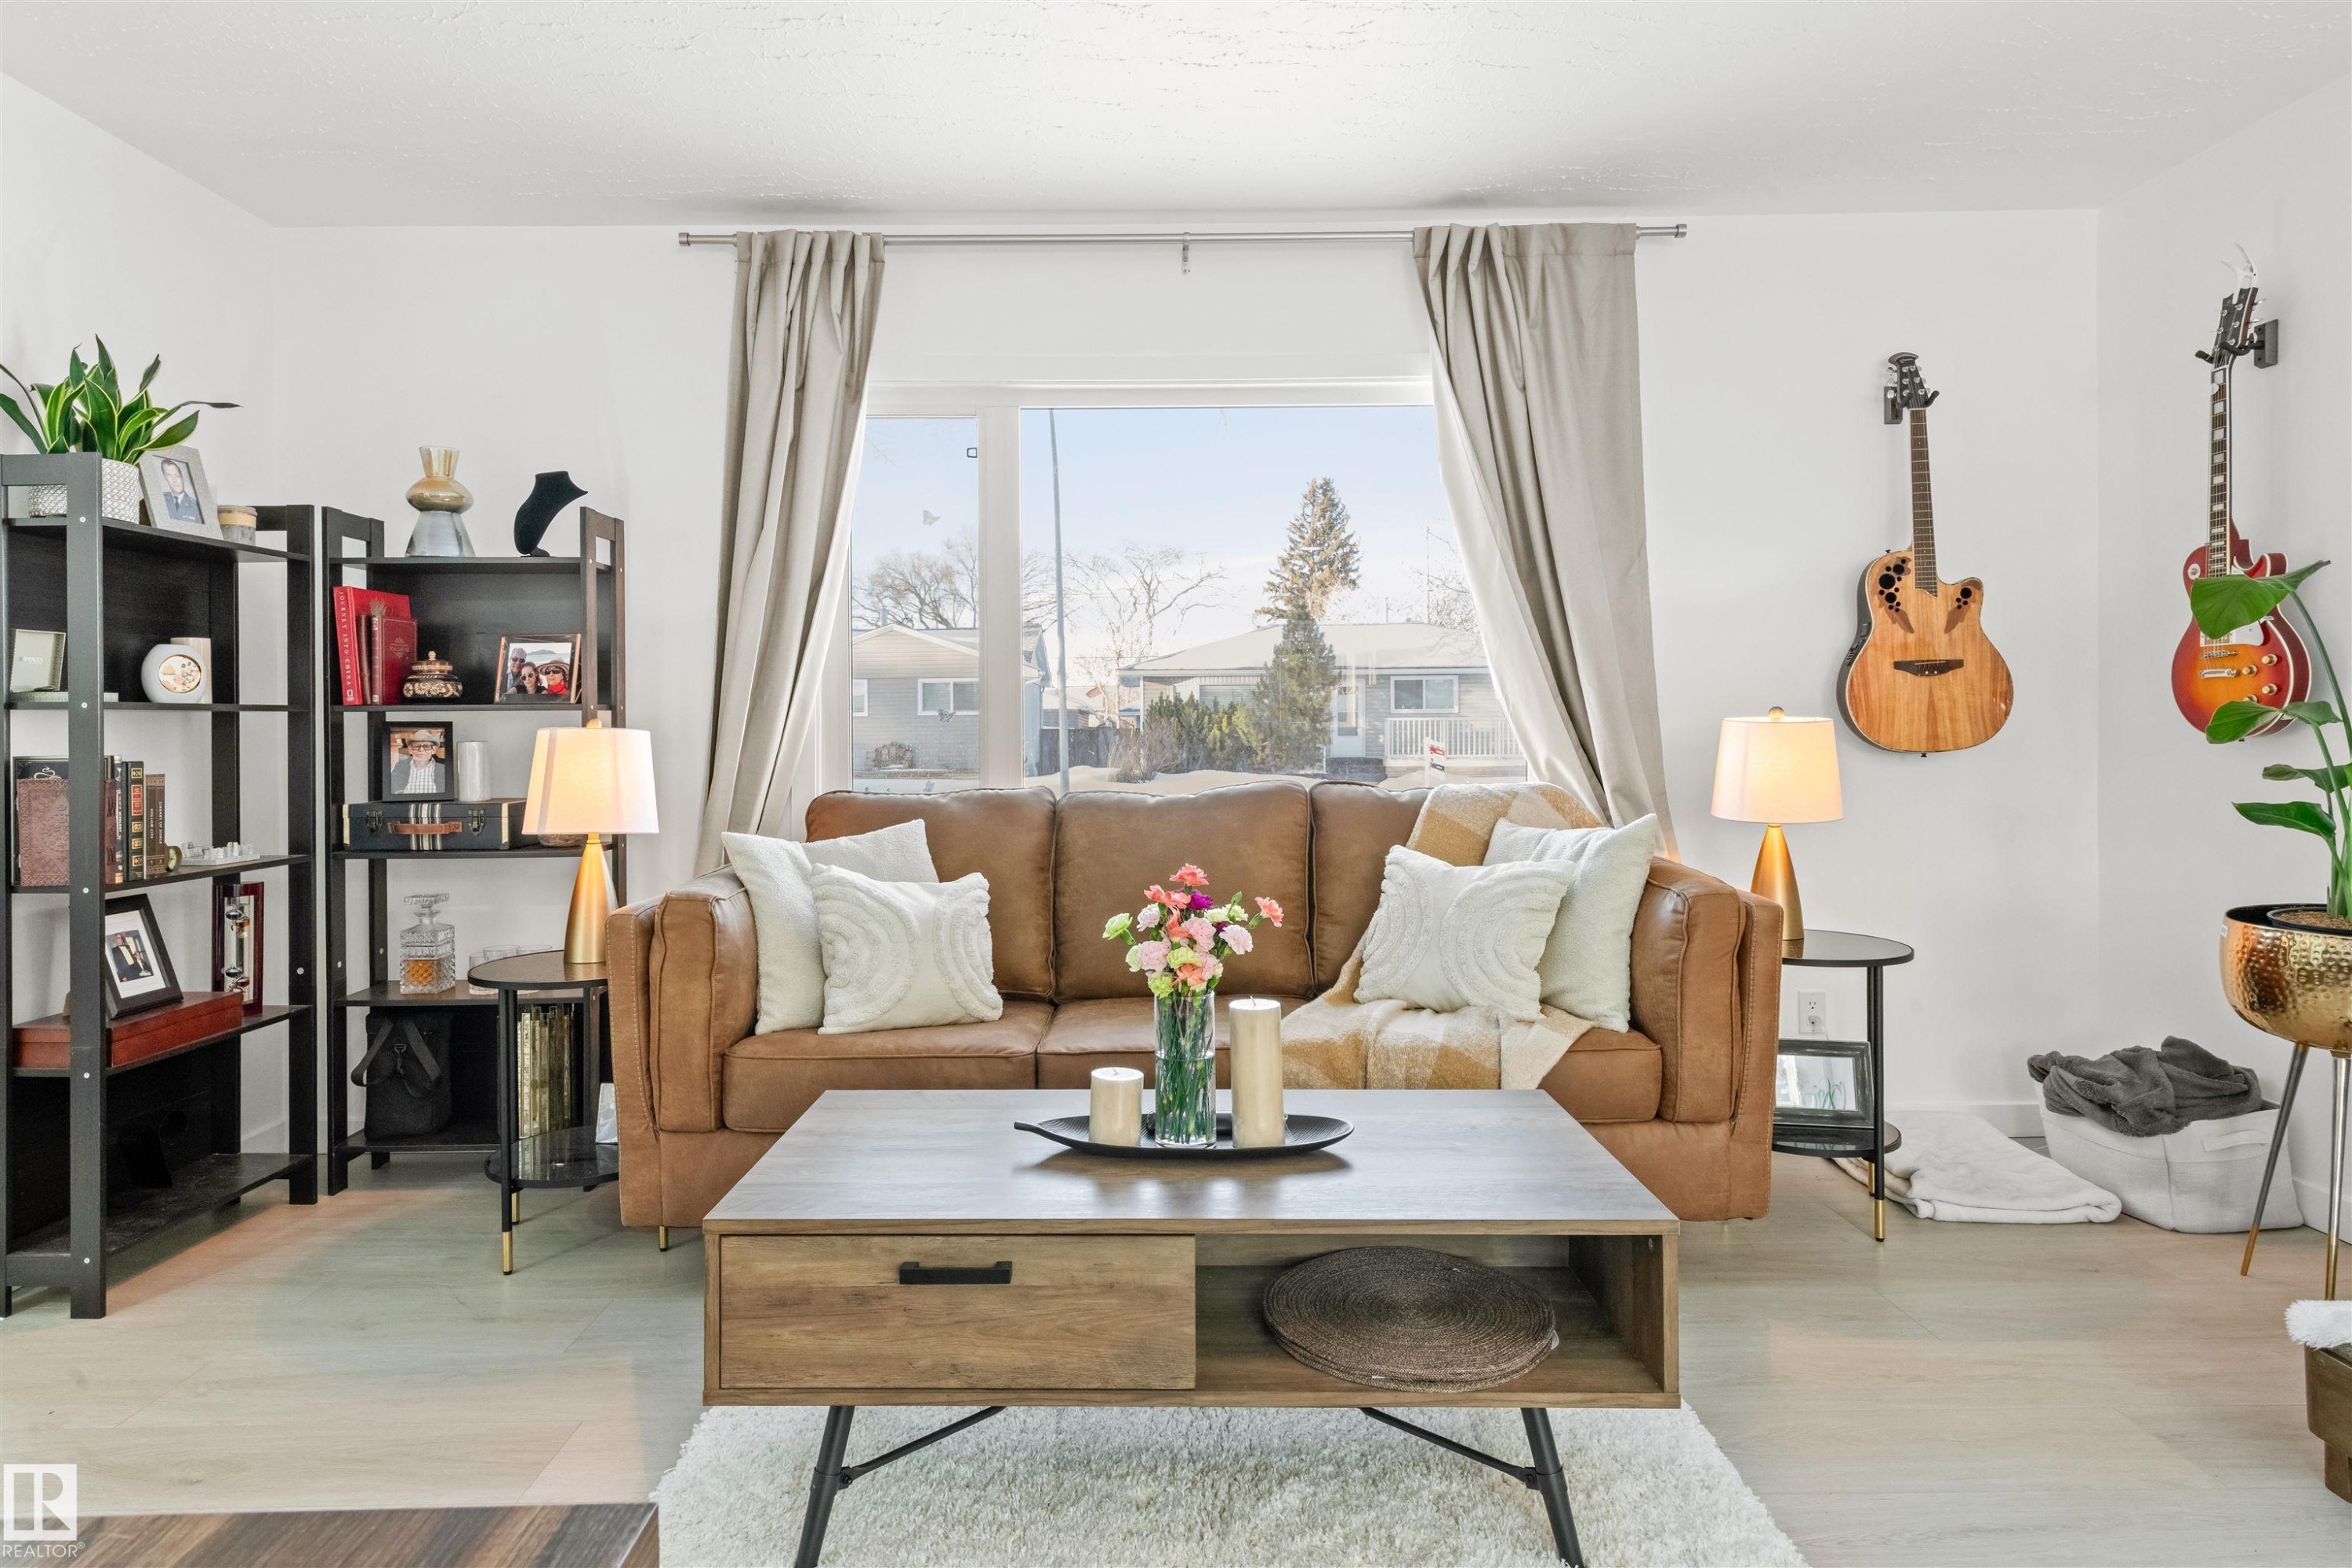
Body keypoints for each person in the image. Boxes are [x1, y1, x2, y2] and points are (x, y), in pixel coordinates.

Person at [388, 731, 446, 796]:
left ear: (434, 750)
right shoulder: (400, 767)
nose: (421, 750)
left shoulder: (444, 767)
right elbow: (393, 792)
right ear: (410, 749)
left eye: (427, 746)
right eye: (416, 746)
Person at [157, 459, 201, 524]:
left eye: (177, 476)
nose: (174, 480)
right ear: (165, 478)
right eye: (169, 476)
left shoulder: (196, 507)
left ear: (183, 479)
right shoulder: (160, 500)